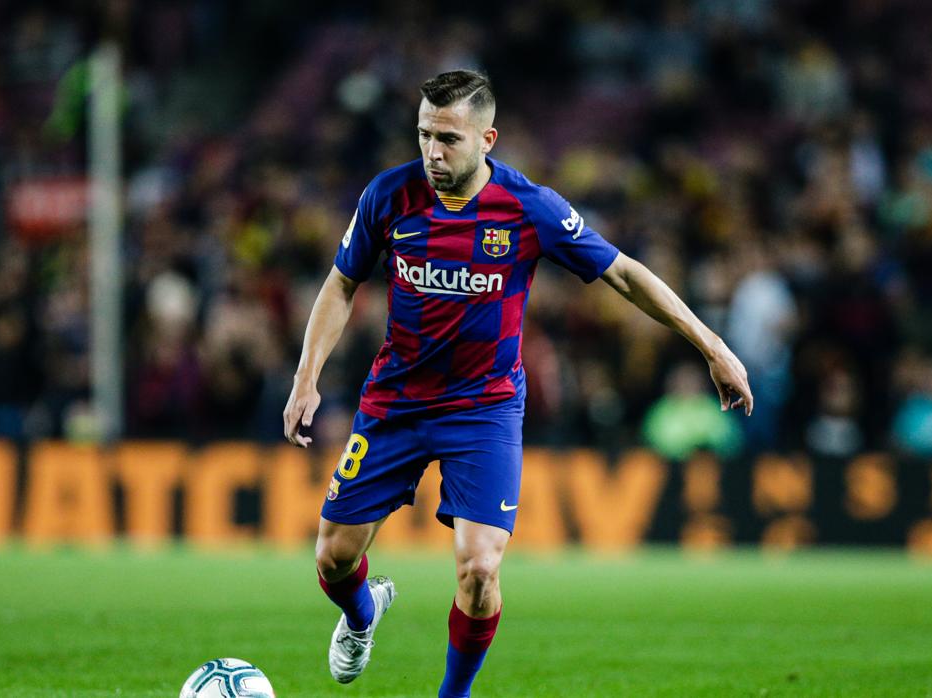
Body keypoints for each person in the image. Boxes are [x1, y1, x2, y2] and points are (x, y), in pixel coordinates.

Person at [283, 70, 753, 697]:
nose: (431, 151)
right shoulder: (388, 196)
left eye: (447, 138)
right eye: (423, 134)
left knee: (479, 569)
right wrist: (307, 374)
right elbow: (342, 283)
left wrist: (713, 346)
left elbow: (625, 274)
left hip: (485, 410)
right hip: (395, 402)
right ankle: (362, 614)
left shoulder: (529, 208)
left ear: (488, 139)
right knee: (332, 560)